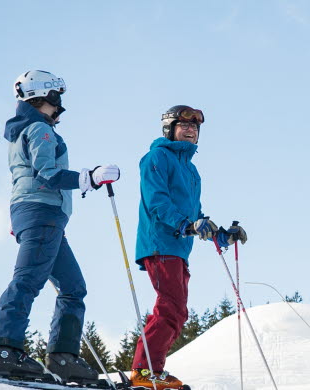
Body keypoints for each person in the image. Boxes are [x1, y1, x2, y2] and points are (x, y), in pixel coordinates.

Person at [0, 70, 120, 385]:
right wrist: (90, 177)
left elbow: (24, 177)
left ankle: (63, 358)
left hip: (42, 217)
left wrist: (23, 218)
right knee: (29, 280)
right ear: (41, 98)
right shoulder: (39, 130)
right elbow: (46, 173)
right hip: (42, 213)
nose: (60, 107)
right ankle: (3, 349)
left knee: (74, 288)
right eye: (56, 99)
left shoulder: (23, 131)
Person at [129, 105, 247, 389]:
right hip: (160, 244)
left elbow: (195, 214)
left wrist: (220, 235)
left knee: (178, 310)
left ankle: (151, 370)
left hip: (179, 249)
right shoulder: (157, 158)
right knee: (171, 307)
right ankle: (144, 371)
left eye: (195, 127)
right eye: (184, 126)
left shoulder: (191, 170)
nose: (191, 130)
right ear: (169, 130)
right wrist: (185, 225)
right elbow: (157, 202)